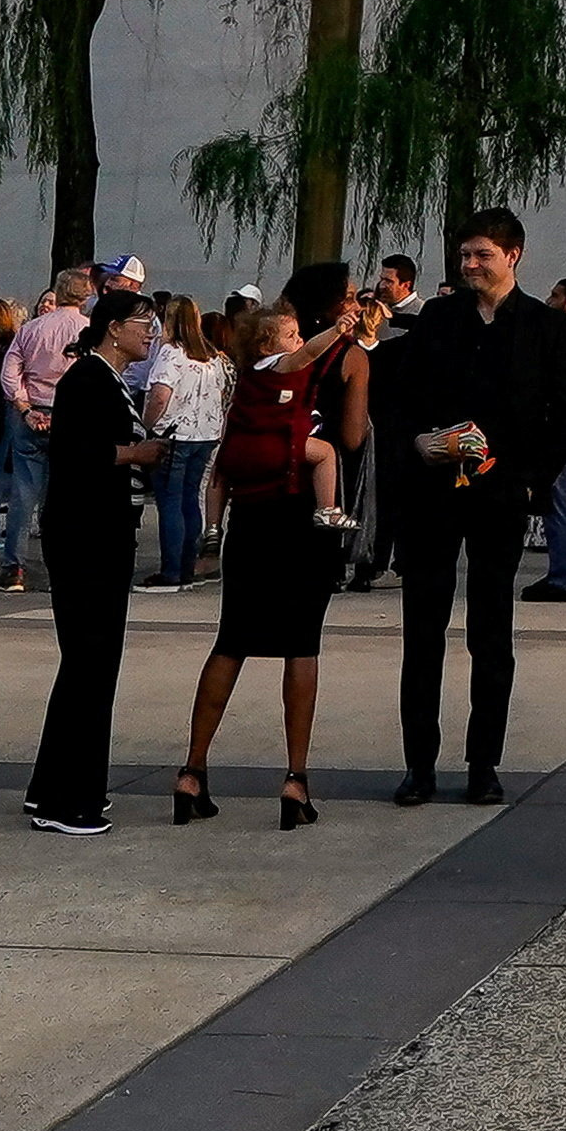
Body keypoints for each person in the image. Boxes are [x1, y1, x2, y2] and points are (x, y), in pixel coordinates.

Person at [379, 208, 566, 808]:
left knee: (491, 633)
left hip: (501, 496)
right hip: (432, 493)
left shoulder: (548, 328)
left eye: (482, 255)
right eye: (465, 255)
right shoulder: (438, 319)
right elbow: (401, 396)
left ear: (513, 256)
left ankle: (483, 763)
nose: (470, 265)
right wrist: (418, 441)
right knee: (421, 632)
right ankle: (418, 764)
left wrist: (531, 482)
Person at [195, 266, 357, 823]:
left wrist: (213, 531)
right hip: (296, 518)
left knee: (231, 639)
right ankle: (295, 777)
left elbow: (221, 466)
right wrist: (341, 333)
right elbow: (351, 433)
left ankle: (192, 769)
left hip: (250, 516)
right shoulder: (335, 356)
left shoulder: (244, 380)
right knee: (301, 643)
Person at [23, 290, 168, 833]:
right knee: (90, 661)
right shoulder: (87, 379)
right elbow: (75, 451)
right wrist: (135, 453)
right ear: (111, 327)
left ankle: (55, 785)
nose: (149, 332)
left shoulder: (109, 381)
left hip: (101, 534)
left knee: (87, 664)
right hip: (87, 537)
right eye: (141, 323)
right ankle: (68, 799)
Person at [0, 267, 95, 593]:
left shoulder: (31, 329)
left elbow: (10, 375)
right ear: (86, 295)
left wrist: (23, 406)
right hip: (73, 417)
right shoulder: (90, 332)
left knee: (23, 494)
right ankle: (62, 566)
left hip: (32, 413)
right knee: (66, 496)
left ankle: (14, 567)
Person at [143, 300, 228, 586]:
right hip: (205, 434)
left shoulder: (171, 353)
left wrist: (147, 425)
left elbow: (160, 396)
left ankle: (170, 570)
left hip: (174, 434)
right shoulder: (211, 355)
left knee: (169, 501)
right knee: (190, 499)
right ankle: (188, 565)